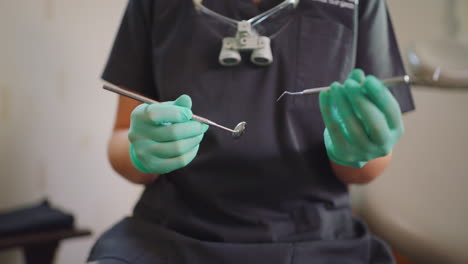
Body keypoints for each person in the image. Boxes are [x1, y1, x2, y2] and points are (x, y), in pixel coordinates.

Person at [88, 0, 415, 263]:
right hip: (171, 237)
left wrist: (361, 149)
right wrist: (141, 152)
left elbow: (366, 170)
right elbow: (121, 139)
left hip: (316, 240)